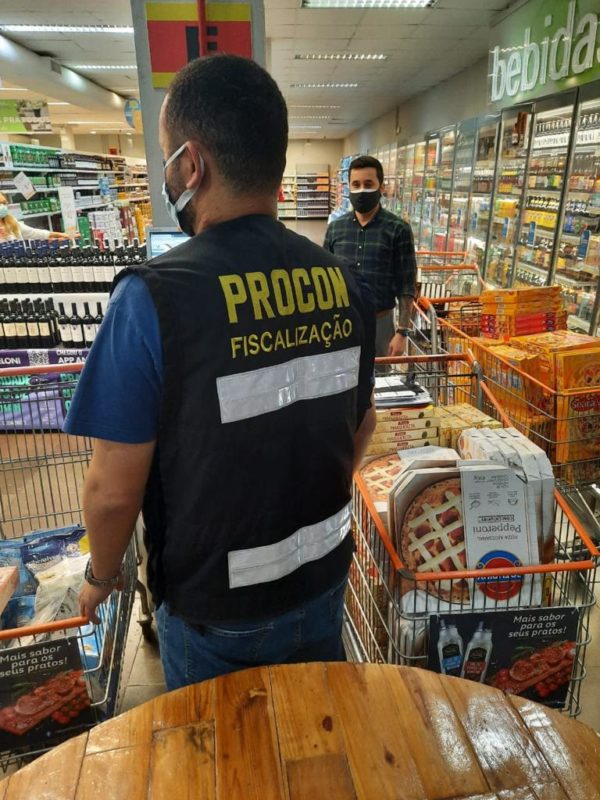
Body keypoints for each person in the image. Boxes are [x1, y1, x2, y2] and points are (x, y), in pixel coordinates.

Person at [65, 54, 376, 690]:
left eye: (165, 159)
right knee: (314, 734)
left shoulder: (152, 297)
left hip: (215, 611)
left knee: (217, 748)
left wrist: (101, 574)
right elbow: (360, 423)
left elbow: (113, 490)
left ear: (192, 165)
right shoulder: (344, 281)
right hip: (323, 578)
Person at [324, 155, 417, 357]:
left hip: (381, 323)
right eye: (356, 184)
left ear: (381, 187)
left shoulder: (398, 229)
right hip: (341, 322)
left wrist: (402, 332)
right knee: (342, 374)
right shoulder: (335, 229)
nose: (361, 190)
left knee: (380, 375)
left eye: (368, 184)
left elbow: (406, 284)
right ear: (349, 186)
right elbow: (325, 278)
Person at [0, 193, 74, 243]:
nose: (3, 206)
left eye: (4, 203)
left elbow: (34, 233)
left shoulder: (12, 222)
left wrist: (61, 235)